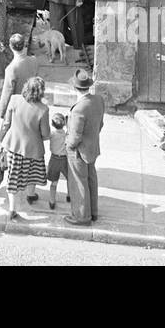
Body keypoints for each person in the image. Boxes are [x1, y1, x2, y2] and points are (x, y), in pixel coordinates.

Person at [0, 75, 51, 219]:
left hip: (14, 145)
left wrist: (1, 138)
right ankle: (30, 194)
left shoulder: (14, 99)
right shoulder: (43, 109)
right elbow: (45, 134)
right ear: (41, 92)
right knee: (32, 173)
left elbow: (6, 123)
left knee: (12, 177)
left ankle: (12, 209)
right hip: (33, 148)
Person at [64, 68, 105, 226]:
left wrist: (68, 145)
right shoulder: (98, 100)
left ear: (75, 87)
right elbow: (100, 124)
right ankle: (93, 212)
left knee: (78, 183)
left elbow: (74, 137)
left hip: (79, 151)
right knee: (91, 179)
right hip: (92, 147)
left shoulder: (79, 109)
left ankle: (82, 216)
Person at [0, 32, 37, 120]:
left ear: (11, 47)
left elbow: (7, 92)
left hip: (18, 107)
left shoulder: (11, 69)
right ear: (24, 45)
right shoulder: (34, 61)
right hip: (33, 103)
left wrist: (2, 111)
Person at [46, 113, 69, 209]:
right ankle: (69, 196)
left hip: (54, 159)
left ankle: (52, 201)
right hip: (64, 159)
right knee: (69, 179)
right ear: (64, 124)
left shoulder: (51, 134)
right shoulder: (66, 134)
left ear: (52, 124)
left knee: (54, 182)